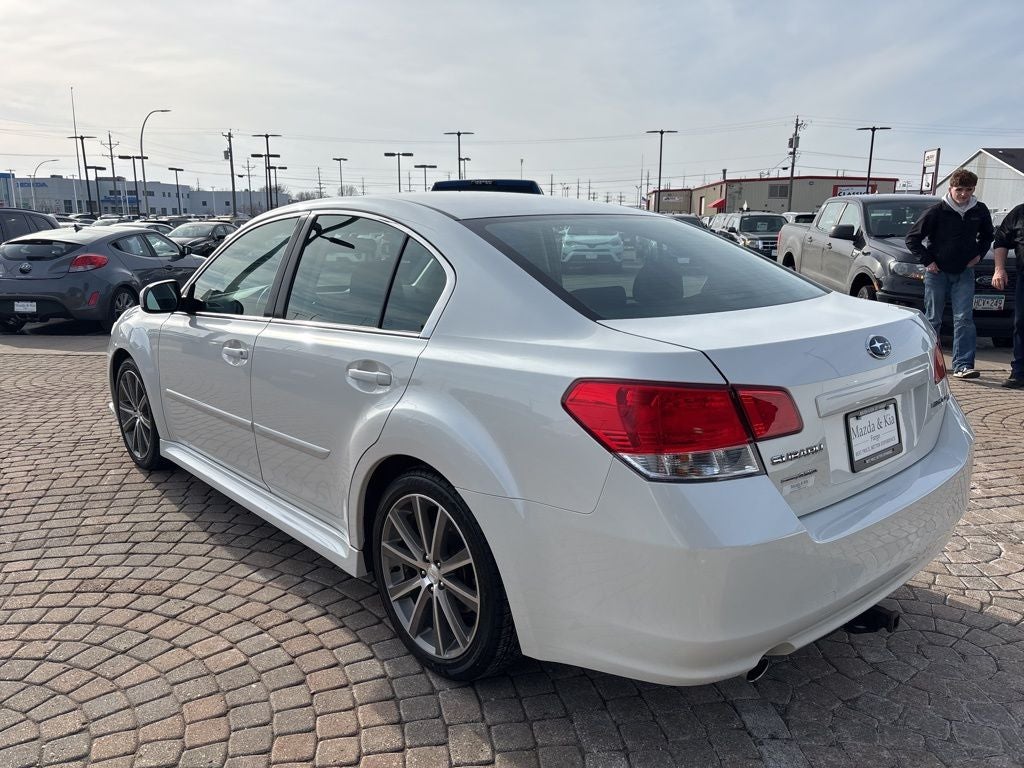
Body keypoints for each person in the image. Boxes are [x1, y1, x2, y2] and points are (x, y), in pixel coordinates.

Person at [906, 169, 994, 379]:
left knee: (964, 319)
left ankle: (963, 365)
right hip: (937, 273)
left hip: (964, 272)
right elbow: (912, 239)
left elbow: (988, 236)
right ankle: (929, 364)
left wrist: (979, 255)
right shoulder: (936, 211)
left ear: (973, 189)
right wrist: (928, 261)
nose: (964, 194)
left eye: (969, 190)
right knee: (933, 319)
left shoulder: (979, 210)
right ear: (951, 188)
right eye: (959, 189)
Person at [991, 203, 1024, 388]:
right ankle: (1019, 372)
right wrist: (999, 269)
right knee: (1021, 324)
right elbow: (1001, 240)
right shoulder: (1019, 213)